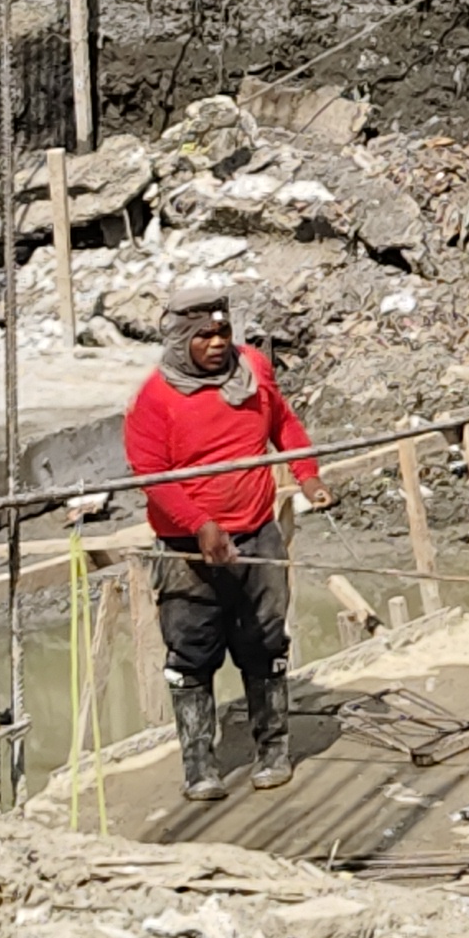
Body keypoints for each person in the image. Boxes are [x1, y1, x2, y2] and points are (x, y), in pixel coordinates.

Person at [122, 282, 329, 802]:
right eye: (204, 335)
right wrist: (199, 524)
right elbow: (150, 474)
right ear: (180, 340)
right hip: (189, 549)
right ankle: (199, 764)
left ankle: (273, 747)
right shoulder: (154, 399)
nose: (217, 342)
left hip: (258, 531)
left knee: (265, 642)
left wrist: (306, 475)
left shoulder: (255, 368)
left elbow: (284, 423)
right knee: (191, 654)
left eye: (223, 331)